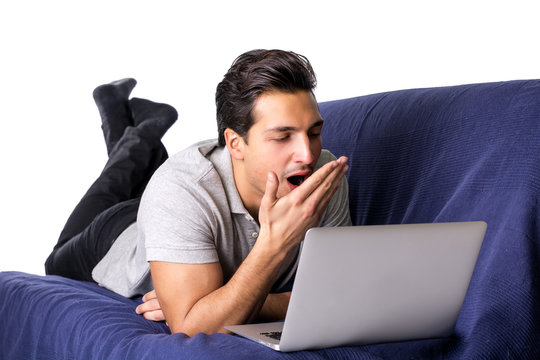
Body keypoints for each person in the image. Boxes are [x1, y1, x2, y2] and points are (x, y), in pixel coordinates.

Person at [45, 49, 351, 336]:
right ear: (234, 144)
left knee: (172, 191)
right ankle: (142, 132)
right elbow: (194, 325)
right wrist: (274, 248)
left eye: (313, 133)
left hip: (183, 211)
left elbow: (340, 296)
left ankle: (133, 123)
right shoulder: (179, 188)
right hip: (117, 233)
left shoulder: (324, 174)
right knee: (56, 260)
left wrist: (223, 300)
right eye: (283, 137)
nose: (308, 155)